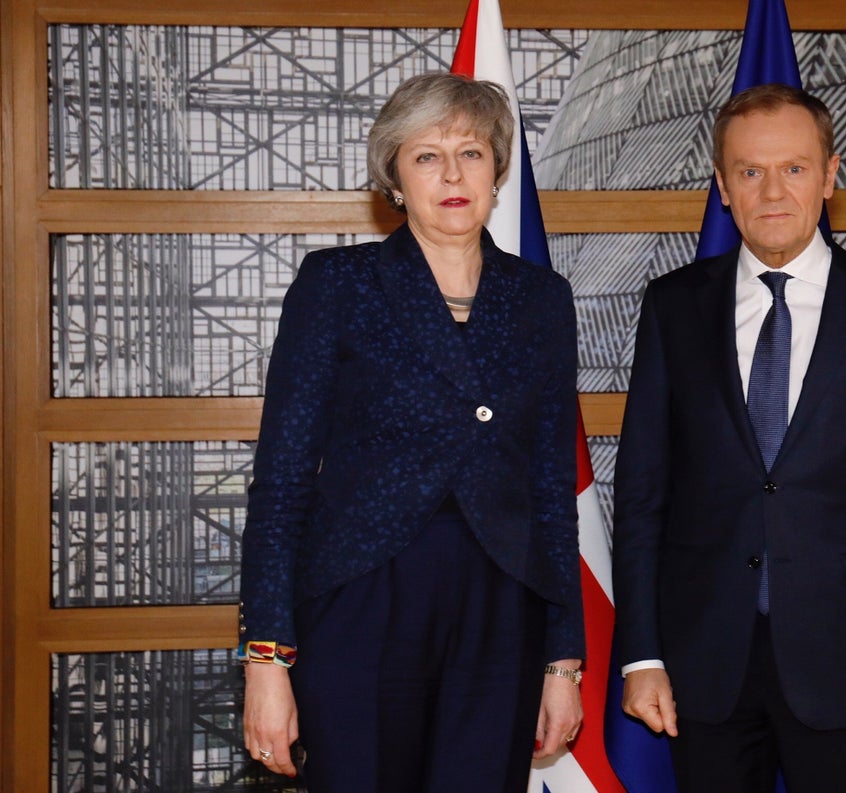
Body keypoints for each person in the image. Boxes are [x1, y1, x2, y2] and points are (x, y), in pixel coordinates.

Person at [612, 83, 846, 792]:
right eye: (749, 171)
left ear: (831, 174)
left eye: (794, 168)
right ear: (722, 185)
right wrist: (640, 653)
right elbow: (643, 492)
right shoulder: (673, 308)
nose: (772, 191)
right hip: (702, 668)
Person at [237, 72, 585, 792]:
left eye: (472, 152)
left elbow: (552, 488)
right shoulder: (337, 283)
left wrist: (561, 660)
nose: (452, 173)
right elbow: (282, 482)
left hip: (501, 608)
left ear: (497, 169)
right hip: (363, 603)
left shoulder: (542, 299)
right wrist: (266, 660)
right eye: (427, 155)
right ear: (394, 178)